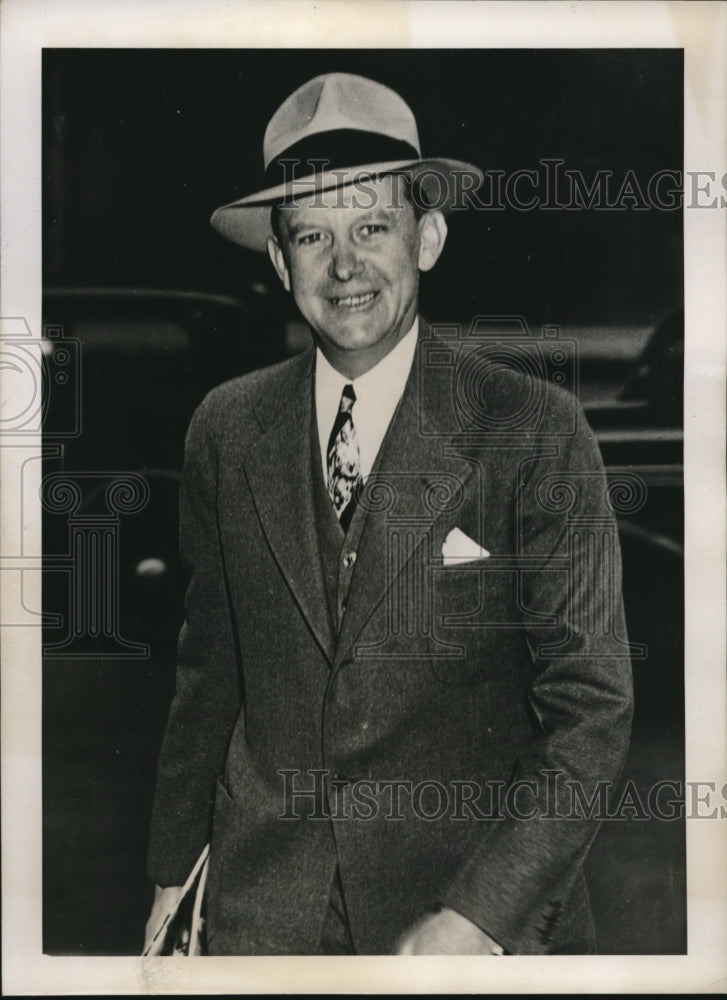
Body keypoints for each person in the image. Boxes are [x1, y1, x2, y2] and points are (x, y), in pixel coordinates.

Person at [145, 72, 633, 955]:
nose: (344, 266)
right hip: (265, 919)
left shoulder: (530, 429)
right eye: (311, 235)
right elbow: (207, 675)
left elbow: (590, 709)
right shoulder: (225, 426)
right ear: (276, 261)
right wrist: (173, 876)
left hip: (464, 916)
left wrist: (481, 916)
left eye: (371, 227)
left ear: (429, 237)